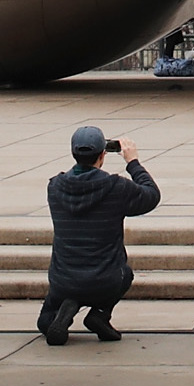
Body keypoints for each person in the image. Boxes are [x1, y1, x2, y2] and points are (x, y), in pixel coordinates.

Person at [40, 126, 159, 345]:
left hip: (62, 280)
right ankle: (99, 314)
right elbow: (151, 195)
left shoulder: (55, 187)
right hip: (105, 280)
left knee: (46, 323)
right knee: (126, 274)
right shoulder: (116, 187)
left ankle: (66, 307)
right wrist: (133, 162)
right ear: (103, 155)